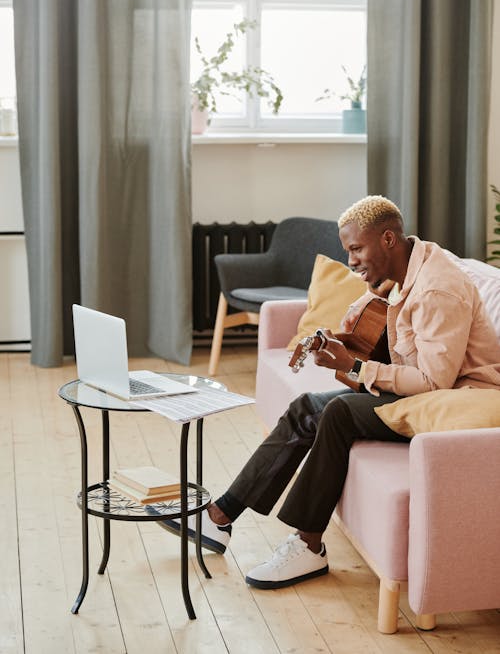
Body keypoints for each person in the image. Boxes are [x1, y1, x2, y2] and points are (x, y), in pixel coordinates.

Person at [156, 195, 500, 589]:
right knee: (307, 407)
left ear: (388, 239)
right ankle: (220, 517)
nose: (351, 260)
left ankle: (308, 545)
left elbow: (433, 382)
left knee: (336, 413)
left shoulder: (437, 290)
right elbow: (394, 346)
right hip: (429, 392)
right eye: (347, 250)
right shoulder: (405, 270)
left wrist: (353, 366)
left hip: (461, 402)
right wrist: (340, 340)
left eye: (356, 248)